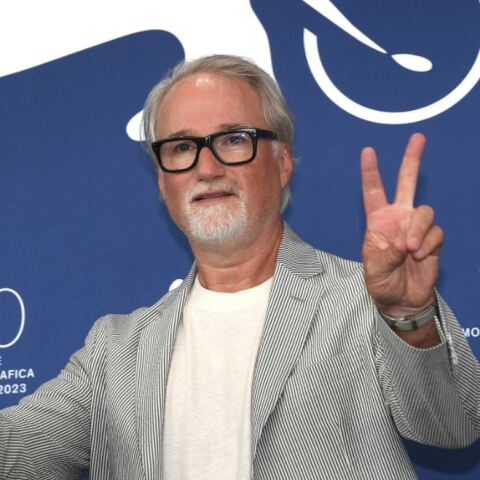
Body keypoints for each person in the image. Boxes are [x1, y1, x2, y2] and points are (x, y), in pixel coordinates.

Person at [0, 54, 479, 480]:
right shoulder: (115, 350)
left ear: (282, 162)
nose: (206, 168)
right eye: (181, 147)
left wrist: (407, 317)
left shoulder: (365, 301)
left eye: (232, 139)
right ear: (162, 182)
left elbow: (454, 426)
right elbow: (18, 453)